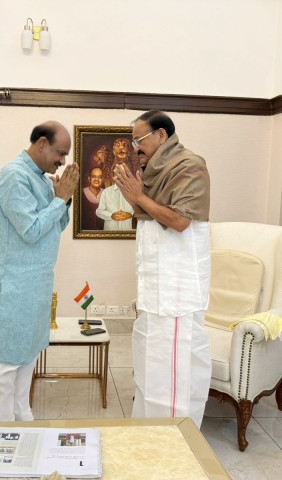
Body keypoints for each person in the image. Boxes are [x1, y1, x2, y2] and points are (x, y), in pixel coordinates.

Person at [0, 120, 79, 422]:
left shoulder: (40, 178)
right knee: (9, 362)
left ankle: (22, 413)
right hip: (13, 285)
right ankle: (3, 427)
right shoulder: (13, 176)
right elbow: (30, 229)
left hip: (35, 284)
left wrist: (61, 202)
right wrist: (60, 199)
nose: (62, 161)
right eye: (60, 152)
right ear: (42, 143)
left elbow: (57, 225)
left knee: (29, 353)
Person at [113, 110, 211, 427]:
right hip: (155, 293)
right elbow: (150, 216)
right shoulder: (152, 170)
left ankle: (173, 444)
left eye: (139, 140)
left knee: (173, 374)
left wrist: (139, 195)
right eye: (133, 142)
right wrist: (136, 197)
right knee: (148, 368)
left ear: (161, 136)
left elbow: (180, 221)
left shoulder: (189, 166)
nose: (135, 149)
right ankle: (147, 436)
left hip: (177, 292)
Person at [96, 166, 134, 230]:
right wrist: (111, 215)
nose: (120, 175)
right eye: (117, 173)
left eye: (122, 173)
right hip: (109, 234)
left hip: (128, 234)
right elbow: (99, 211)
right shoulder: (106, 192)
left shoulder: (133, 192)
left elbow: (139, 210)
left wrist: (130, 215)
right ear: (113, 176)